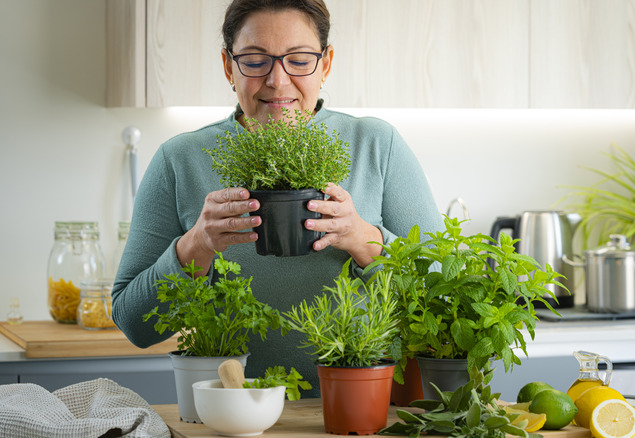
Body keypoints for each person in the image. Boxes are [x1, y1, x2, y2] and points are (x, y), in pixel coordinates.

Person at [111, 0, 442, 396]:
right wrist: (196, 245)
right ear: (228, 66)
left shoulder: (376, 146)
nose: (278, 81)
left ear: (326, 62)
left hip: (362, 409)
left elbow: (442, 295)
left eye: (299, 60)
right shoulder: (179, 160)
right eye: (254, 61)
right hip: (235, 412)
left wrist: (364, 240)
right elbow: (134, 324)